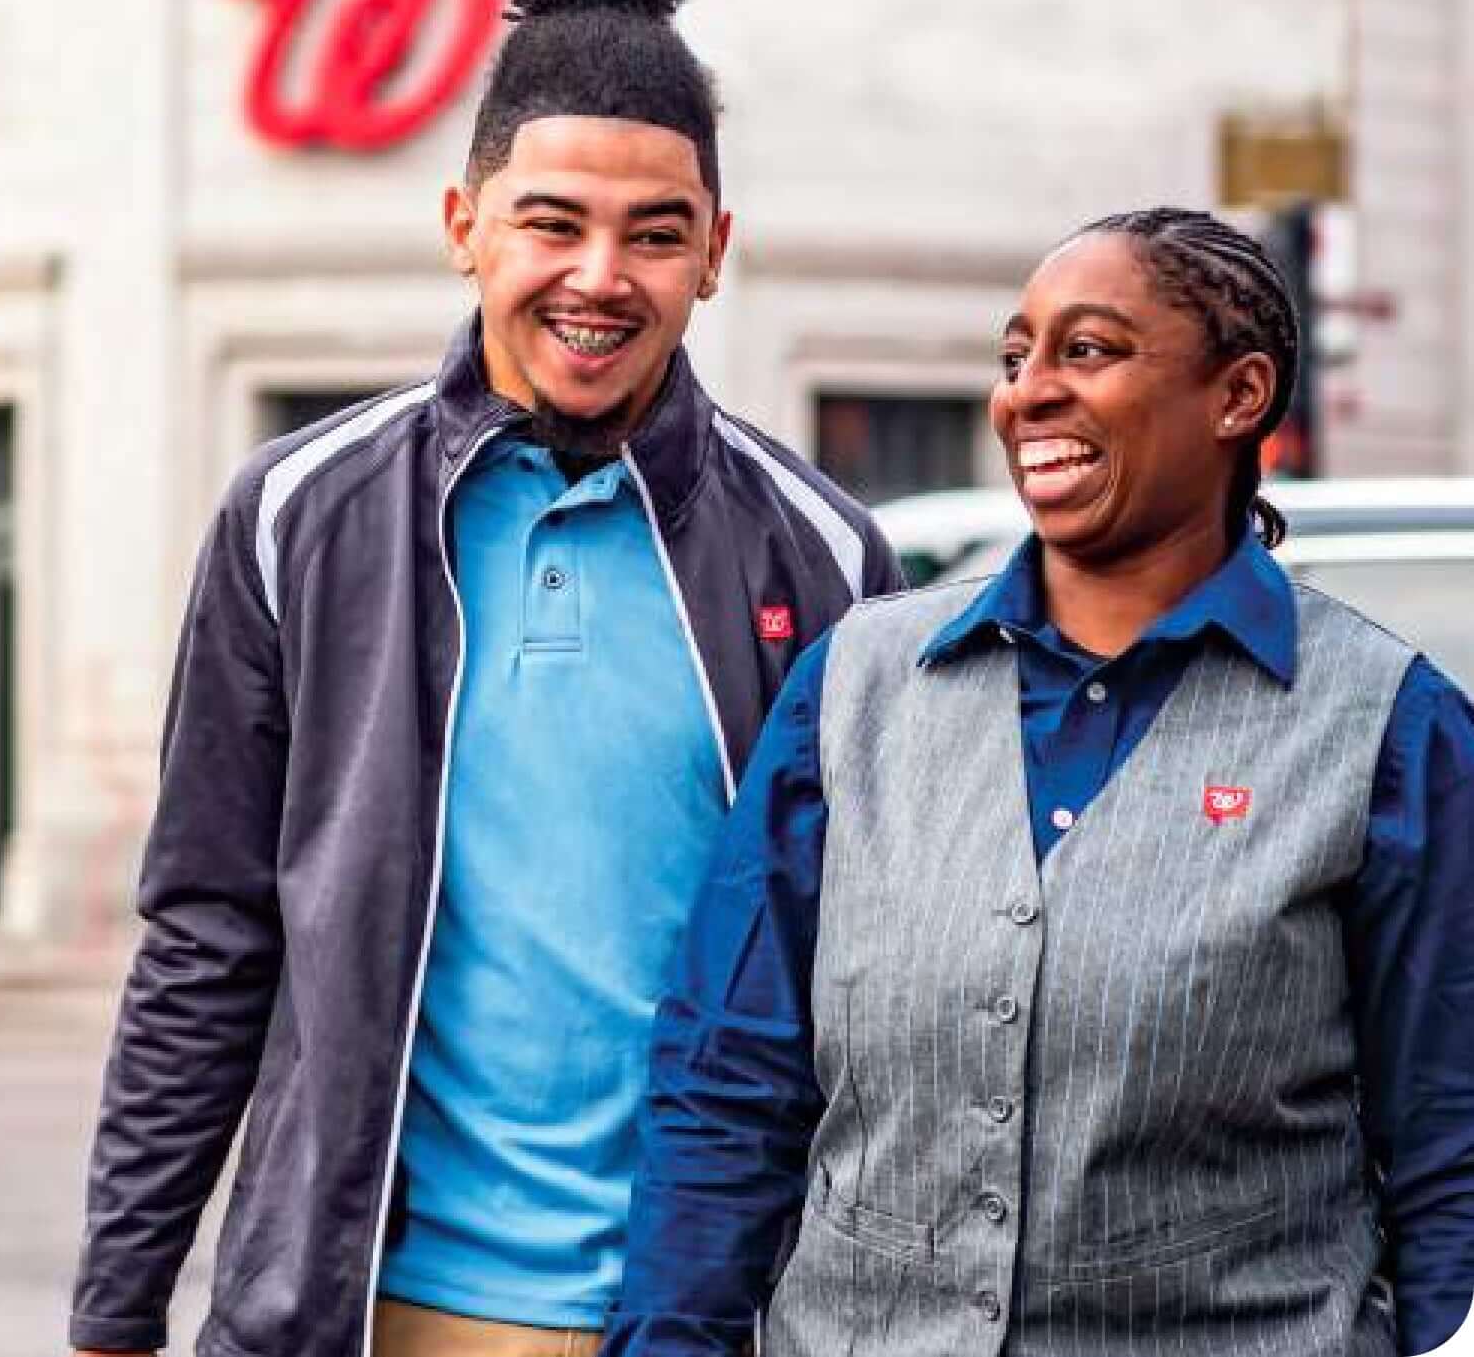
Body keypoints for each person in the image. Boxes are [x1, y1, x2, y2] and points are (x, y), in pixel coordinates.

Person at [68, 0, 902, 1357]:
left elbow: (874, 977)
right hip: (354, 1313)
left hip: (700, 1316)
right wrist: (114, 1305)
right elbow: (208, 931)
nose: (601, 275)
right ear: (465, 225)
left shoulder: (822, 557)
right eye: (552, 221)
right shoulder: (299, 514)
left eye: (655, 234)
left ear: (716, 253)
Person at [603, 207, 1474, 1357]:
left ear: (1240, 395)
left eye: (1089, 351)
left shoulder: (1390, 730)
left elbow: (1448, 1153)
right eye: (1016, 360)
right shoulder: (857, 688)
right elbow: (730, 1085)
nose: (1029, 394)